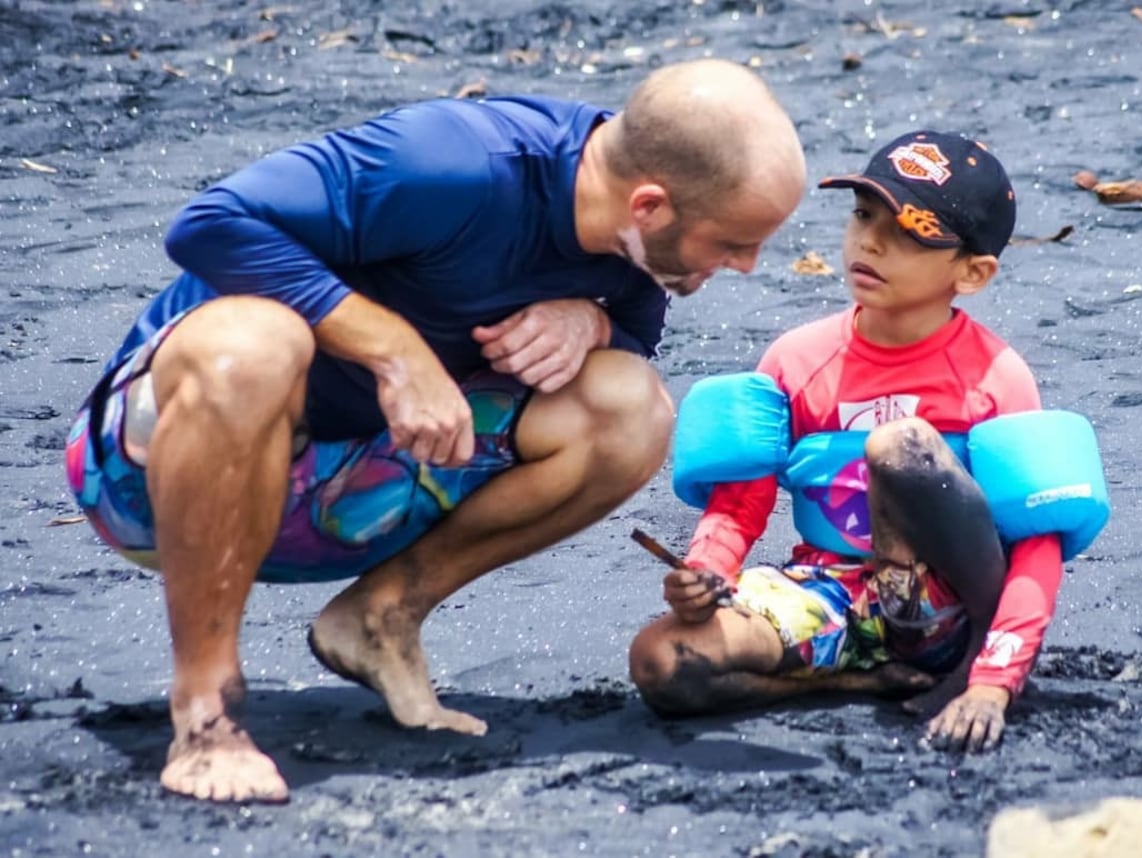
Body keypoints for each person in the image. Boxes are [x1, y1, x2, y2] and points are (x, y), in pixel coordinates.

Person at [63, 58, 807, 803]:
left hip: (349, 497)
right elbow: (209, 223)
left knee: (629, 405)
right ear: (649, 206)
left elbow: (633, 333)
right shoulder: (454, 163)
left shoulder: (638, 244)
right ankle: (206, 712)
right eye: (734, 242)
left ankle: (381, 618)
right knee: (256, 345)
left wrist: (594, 320)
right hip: (157, 488)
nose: (746, 267)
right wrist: (394, 351)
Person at [629, 130, 1075, 754]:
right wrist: (704, 575)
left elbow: (1036, 543)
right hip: (831, 593)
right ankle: (860, 680)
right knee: (661, 660)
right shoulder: (796, 358)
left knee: (898, 449)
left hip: (942, 611)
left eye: (908, 231)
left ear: (972, 272)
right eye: (864, 215)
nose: (870, 241)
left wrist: (993, 681)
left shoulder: (996, 376)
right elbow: (739, 504)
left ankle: (953, 665)